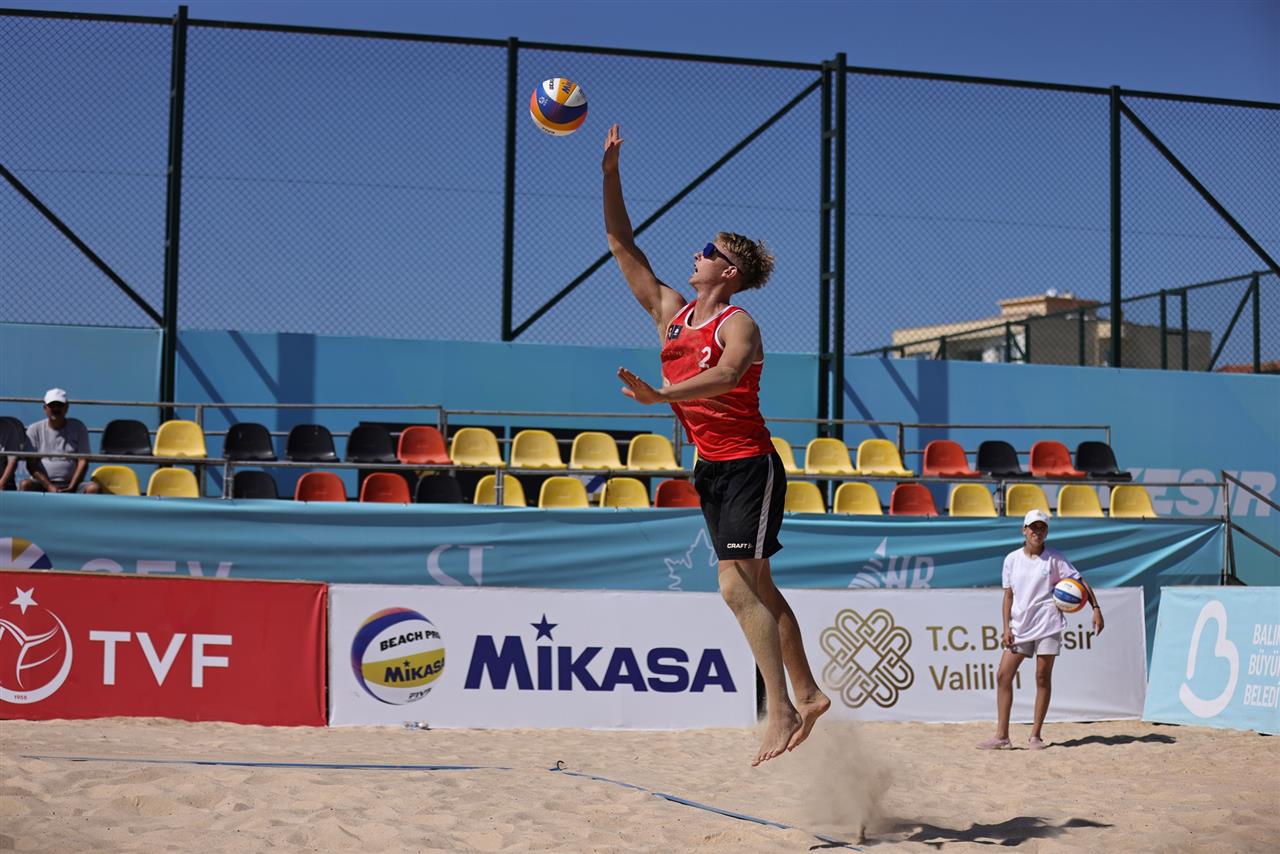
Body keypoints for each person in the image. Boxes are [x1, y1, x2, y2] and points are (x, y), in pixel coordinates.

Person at [602, 124, 829, 766]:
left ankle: (780, 709)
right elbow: (622, 245)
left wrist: (660, 396)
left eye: (708, 250)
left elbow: (728, 376)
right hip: (711, 469)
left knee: (734, 588)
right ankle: (808, 693)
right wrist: (611, 176)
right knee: (758, 586)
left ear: (727, 272)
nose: (696, 254)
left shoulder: (740, 323)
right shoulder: (672, 312)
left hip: (750, 466)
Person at [978, 508, 1104, 750]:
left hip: (1048, 623)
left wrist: (1095, 608)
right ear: (1024, 530)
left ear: (1046, 532)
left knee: (1042, 677)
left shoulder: (1055, 558)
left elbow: (1080, 582)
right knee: (1003, 675)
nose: (1037, 531)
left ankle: (1035, 736)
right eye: (1033, 527)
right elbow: (1008, 596)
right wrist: (1006, 628)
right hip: (1020, 626)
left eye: (1042, 527)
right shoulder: (1012, 559)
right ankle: (1002, 736)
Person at [18, 388, 101, 494]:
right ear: (45, 408)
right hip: (42, 484)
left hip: (73, 484)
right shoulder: (34, 429)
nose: (56, 409)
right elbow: (31, 464)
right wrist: (49, 486)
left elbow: (83, 461)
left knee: (93, 488)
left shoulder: (79, 427)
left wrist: (72, 486)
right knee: (25, 485)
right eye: (52, 405)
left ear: (66, 407)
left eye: (59, 405)